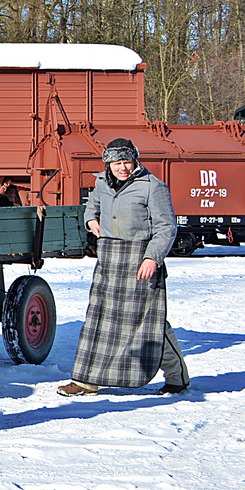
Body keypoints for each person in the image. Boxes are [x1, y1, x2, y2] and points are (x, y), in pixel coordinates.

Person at [58, 138, 189, 396]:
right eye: (117, 162)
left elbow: (166, 227)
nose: (123, 168)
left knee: (148, 321)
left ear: (135, 161)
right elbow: (91, 205)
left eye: (127, 161)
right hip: (109, 258)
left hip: (141, 259)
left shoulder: (153, 187)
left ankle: (178, 377)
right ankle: (86, 380)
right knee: (99, 318)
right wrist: (90, 219)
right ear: (108, 163)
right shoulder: (101, 183)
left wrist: (153, 258)